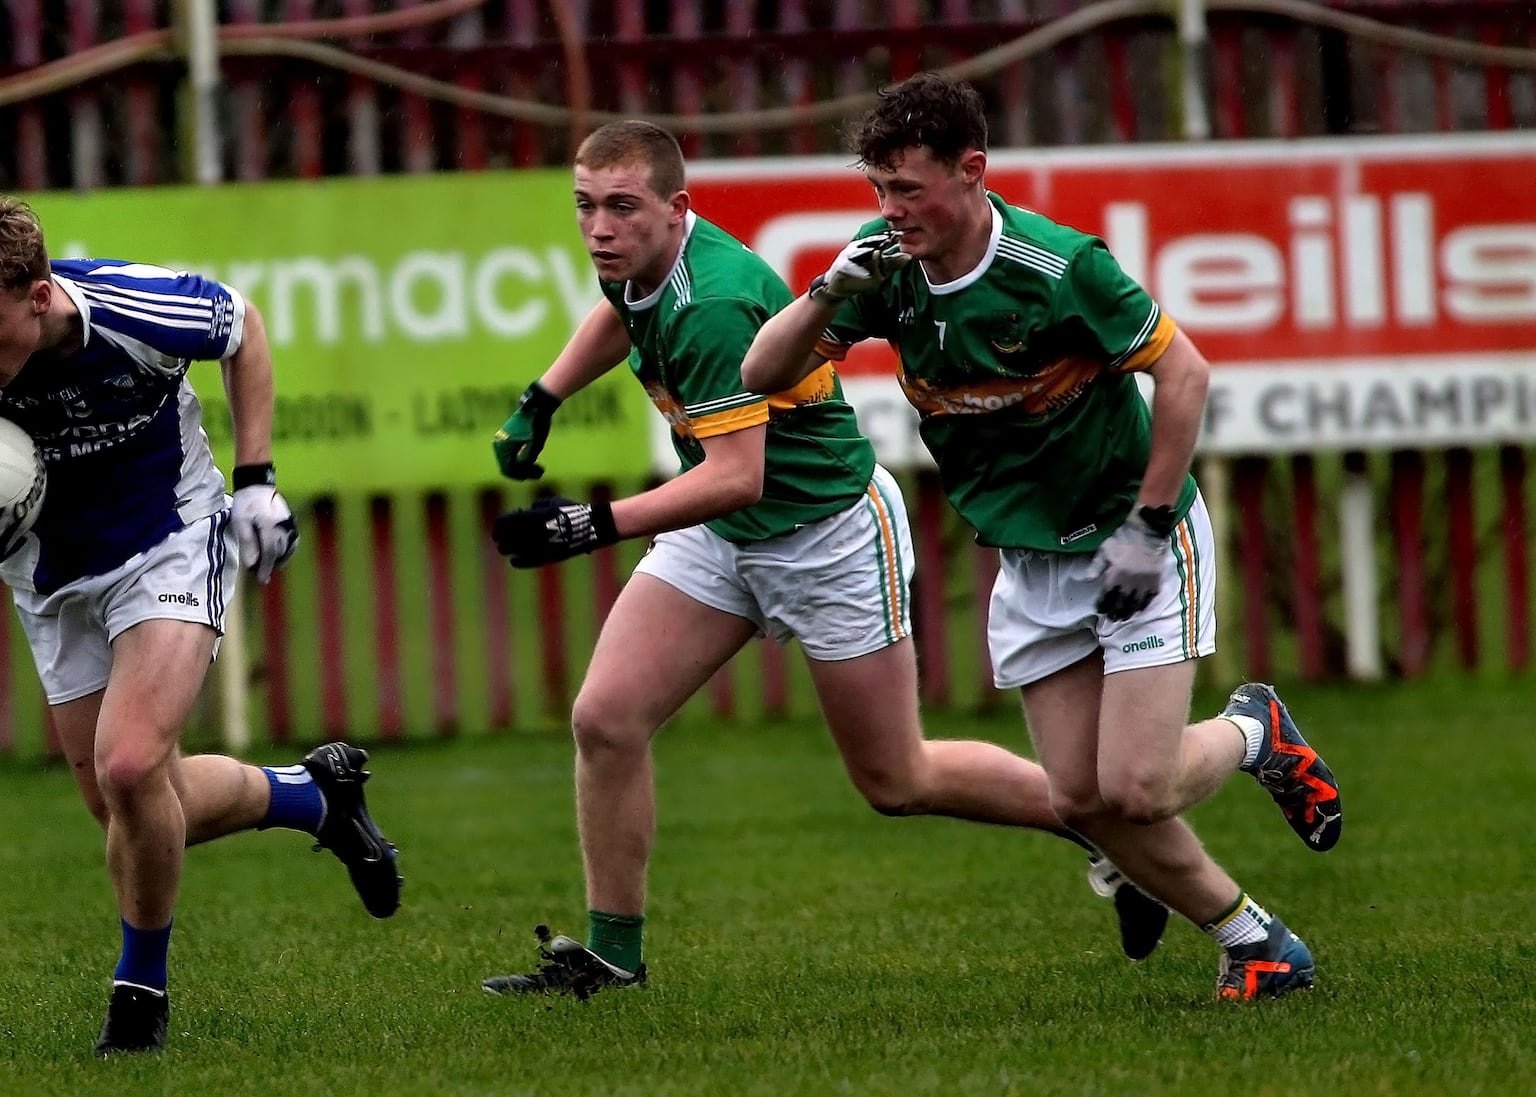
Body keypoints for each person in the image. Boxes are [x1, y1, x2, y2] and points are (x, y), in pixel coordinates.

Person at [478, 120, 1168, 1001]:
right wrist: (545, 395)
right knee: (606, 718)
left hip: (827, 534)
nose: (599, 228)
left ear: (676, 209)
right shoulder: (645, 260)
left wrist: (592, 524)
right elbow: (622, 315)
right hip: (727, 537)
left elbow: (737, 476)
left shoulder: (714, 302)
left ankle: (1108, 836)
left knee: (898, 779)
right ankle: (612, 958)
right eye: (585, 207)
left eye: (621, 207)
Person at [739, 73, 1344, 1000]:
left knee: (1135, 788)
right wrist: (826, 291)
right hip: (1029, 559)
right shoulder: (882, 272)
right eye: (877, 190)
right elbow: (762, 371)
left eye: (908, 189)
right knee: (1079, 800)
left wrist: (1147, 526)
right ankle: (1258, 941)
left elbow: (1184, 375)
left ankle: (1252, 729)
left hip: (1135, 541)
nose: (890, 211)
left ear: (972, 171)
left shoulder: (1060, 267)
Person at [0, 197, 404, 1056]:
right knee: (127, 807)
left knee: (130, 761)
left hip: (168, 539)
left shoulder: (129, 308)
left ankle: (138, 994)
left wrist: (255, 476)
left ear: (39, 296)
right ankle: (313, 796)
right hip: (50, 575)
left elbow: (244, 328)